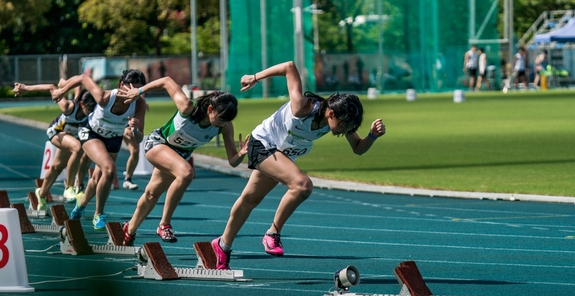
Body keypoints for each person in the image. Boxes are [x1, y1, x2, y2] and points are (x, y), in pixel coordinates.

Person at [210, 61, 386, 270]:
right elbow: (289, 67)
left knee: (250, 199)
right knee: (302, 185)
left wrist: (372, 136)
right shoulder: (302, 107)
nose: (344, 131)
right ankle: (272, 233)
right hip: (262, 144)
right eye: (344, 125)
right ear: (331, 113)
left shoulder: (337, 119)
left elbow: (358, 147)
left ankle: (222, 245)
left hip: (281, 154)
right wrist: (254, 77)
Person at [117, 80, 246, 245]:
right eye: (220, 119)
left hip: (179, 155)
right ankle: (164, 224)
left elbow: (233, 162)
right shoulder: (187, 107)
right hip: (159, 144)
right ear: (210, 109)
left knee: (151, 194)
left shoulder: (225, 126)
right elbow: (166, 81)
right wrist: (139, 91)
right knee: (186, 173)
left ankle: (130, 230)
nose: (222, 123)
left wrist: (241, 153)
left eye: (226, 121)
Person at [51, 69, 147, 230]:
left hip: (114, 139)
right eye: (132, 88)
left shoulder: (139, 104)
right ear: (122, 85)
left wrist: (135, 129)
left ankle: (80, 206)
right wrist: (62, 90)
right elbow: (82, 78)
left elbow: (139, 139)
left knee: (97, 178)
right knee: (109, 170)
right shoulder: (105, 97)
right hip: (91, 134)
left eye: (139, 89)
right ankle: (98, 214)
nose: (135, 93)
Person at [12, 81, 96, 211]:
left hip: (70, 137)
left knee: (57, 168)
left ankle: (41, 194)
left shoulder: (91, 112)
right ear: (82, 104)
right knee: (78, 148)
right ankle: (69, 187)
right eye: (89, 109)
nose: (90, 112)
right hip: (55, 132)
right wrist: (26, 88)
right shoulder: (68, 107)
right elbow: (51, 87)